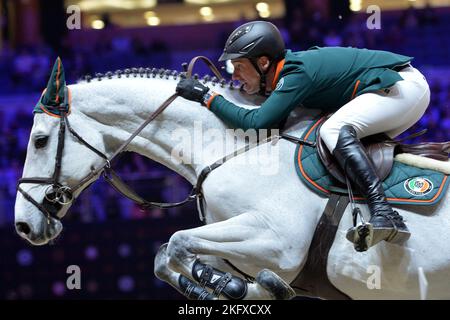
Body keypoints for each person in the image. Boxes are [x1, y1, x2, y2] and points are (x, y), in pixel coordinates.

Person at [176, 21, 430, 251]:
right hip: (392, 90)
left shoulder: (296, 74)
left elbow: (256, 124)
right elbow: (269, 122)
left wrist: (207, 97)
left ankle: (384, 212)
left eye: (240, 67)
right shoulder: (288, 74)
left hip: (401, 87)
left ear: (263, 63)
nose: (235, 76)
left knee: (333, 130)